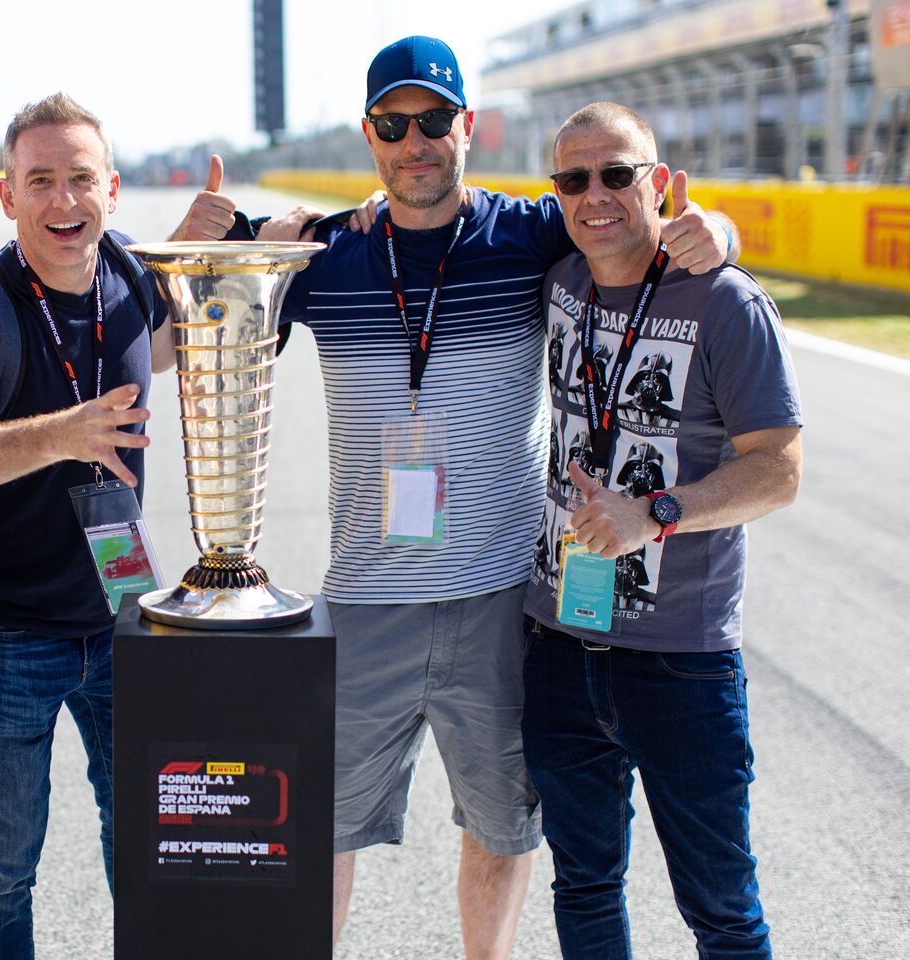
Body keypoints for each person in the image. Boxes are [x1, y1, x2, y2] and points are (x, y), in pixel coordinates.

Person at [185, 36, 739, 960]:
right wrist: (220, 251)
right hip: (365, 595)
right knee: (323, 825)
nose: (417, 143)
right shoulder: (326, 251)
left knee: (503, 825)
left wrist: (719, 228)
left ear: (467, 129)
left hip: (499, 594)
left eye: (435, 120)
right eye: (395, 125)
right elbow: (188, 349)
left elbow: (639, 218)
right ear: (370, 135)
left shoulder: (531, 231)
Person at [521, 101, 801, 960]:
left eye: (617, 174)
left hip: (682, 661)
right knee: (586, 886)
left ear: (661, 182)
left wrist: (657, 514)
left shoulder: (725, 301)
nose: (595, 194)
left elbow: (780, 470)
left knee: (720, 910)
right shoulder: (560, 277)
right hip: (559, 643)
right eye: (573, 178)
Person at [0, 92, 172, 960]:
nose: (65, 202)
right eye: (41, 182)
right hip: (5, 638)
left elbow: (178, 335)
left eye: (81, 180)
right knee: (2, 867)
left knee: (143, 848)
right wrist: (68, 430)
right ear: (7, 195)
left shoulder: (132, 277)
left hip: (123, 618)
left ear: (113, 187)